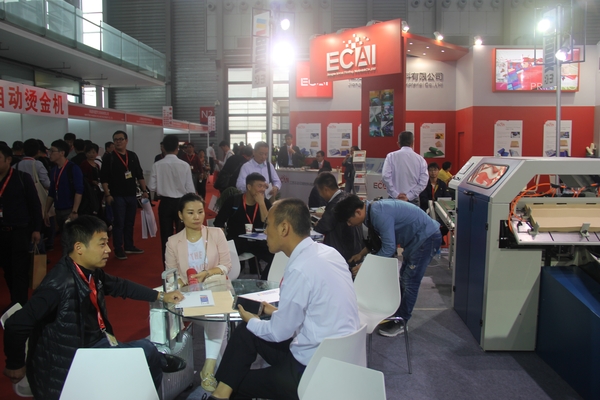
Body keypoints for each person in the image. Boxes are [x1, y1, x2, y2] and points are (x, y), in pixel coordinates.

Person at [2, 216, 186, 400]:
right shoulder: (57, 285)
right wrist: (15, 364)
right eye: (102, 244)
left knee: (145, 353)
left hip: (94, 345)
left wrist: (160, 296)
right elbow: (15, 324)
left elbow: (120, 286)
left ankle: (154, 366)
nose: (108, 250)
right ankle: (156, 366)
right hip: (70, 366)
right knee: (146, 351)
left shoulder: (90, 272)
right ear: (79, 248)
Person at [207, 198, 360, 400]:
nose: (265, 231)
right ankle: (220, 394)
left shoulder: (300, 269)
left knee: (235, 380)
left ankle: (220, 394)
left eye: (267, 225)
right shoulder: (329, 253)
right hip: (341, 358)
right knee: (247, 333)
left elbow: (279, 332)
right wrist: (276, 313)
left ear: (284, 228)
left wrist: (251, 320)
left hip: (310, 370)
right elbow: (320, 309)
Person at [335, 195, 442, 337]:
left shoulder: (378, 213)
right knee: (404, 279)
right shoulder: (371, 212)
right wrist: (361, 254)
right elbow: (379, 242)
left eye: (349, 220)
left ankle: (402, 321)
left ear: (358, 212)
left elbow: (389, 248)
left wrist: (365, 267)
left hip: (426, 238)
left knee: (410, 282)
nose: (349, 224)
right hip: (415, 241)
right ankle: (397, 315)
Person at [165, 193, 231, 392]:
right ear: (180, 215)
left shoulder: (216, 233)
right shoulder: (173, 242)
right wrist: (183, 282)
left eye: (200, 212)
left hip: (215, 291)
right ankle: (218, 372)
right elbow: (171, 274)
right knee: (218, 318)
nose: (196, 217)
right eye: (191, 213)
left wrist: (207, 273)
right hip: (189, 297)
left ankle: (209, 368)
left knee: (217, 315)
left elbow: (226, 265)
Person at [0, 144, 42, 307]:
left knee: (20, 270)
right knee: (7, 270)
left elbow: (35, 205)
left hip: (20, 231)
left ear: (8, 160)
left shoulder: (22, 178)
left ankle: (20, 304)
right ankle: (15, 300)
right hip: (1, 232)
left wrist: (37, 229)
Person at [215, 173, 274, 280]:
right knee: (224, 260)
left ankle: (264, 281)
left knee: (275, 256)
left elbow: (267, 223)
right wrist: (221, 240)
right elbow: (219, 222)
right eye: (259, 186)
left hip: (257, 242)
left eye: (264, 186)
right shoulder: (234, 201)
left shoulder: (264, 202)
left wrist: (261, 204)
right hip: (236, 240)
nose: (262, 189)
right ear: (249, 187)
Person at [100, 130, 149, 260]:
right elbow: (104, 178)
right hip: (117, 195)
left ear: (126, 141)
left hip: (131, 195)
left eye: (121, 139)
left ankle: (129, 245)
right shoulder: (109, 157)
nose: (118, 142)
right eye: (116, 139)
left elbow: (139, 174)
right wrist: (107, 194)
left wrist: (145, 191)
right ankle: (118, 248)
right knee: (119, 223)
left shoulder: (132, 155)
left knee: (130, 222)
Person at [149, 135, 195, 262]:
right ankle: (183, 265)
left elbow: (151, 187)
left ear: (163, 147)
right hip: (181, 203)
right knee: (182, 236)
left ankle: (168, 268)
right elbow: (190, 189)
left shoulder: (157, 165)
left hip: (165, 203)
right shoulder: (184, 165)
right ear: (177, 148)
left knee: (166, 238)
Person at [312, 173, 363, 267]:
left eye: (320, 192)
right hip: (354, 249)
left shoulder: (335, 203)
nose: (320, 195)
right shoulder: (348, 196)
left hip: (342, 254)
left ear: (325, 189)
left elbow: (323, 226)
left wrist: (317, 224)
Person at [45, 139, 84, 234]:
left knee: (70, 238)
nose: (49, 154)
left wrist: (74, 211)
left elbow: (79, 190)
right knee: (63, 236)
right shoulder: (54, 170)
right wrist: (46, 211)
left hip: (70, 209)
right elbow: (51, 192)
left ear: (62, 153)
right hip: (58, 209)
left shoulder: (73, 168)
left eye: (52, 151)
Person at [381, 131, 428, 205]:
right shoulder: (421, 159)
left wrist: (395, 194)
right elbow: (423, 181)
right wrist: (409, 196)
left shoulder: (391, 156)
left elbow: (385, 176)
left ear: (398, 143)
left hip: (394, 199)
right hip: (412, 201)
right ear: (412, 143)